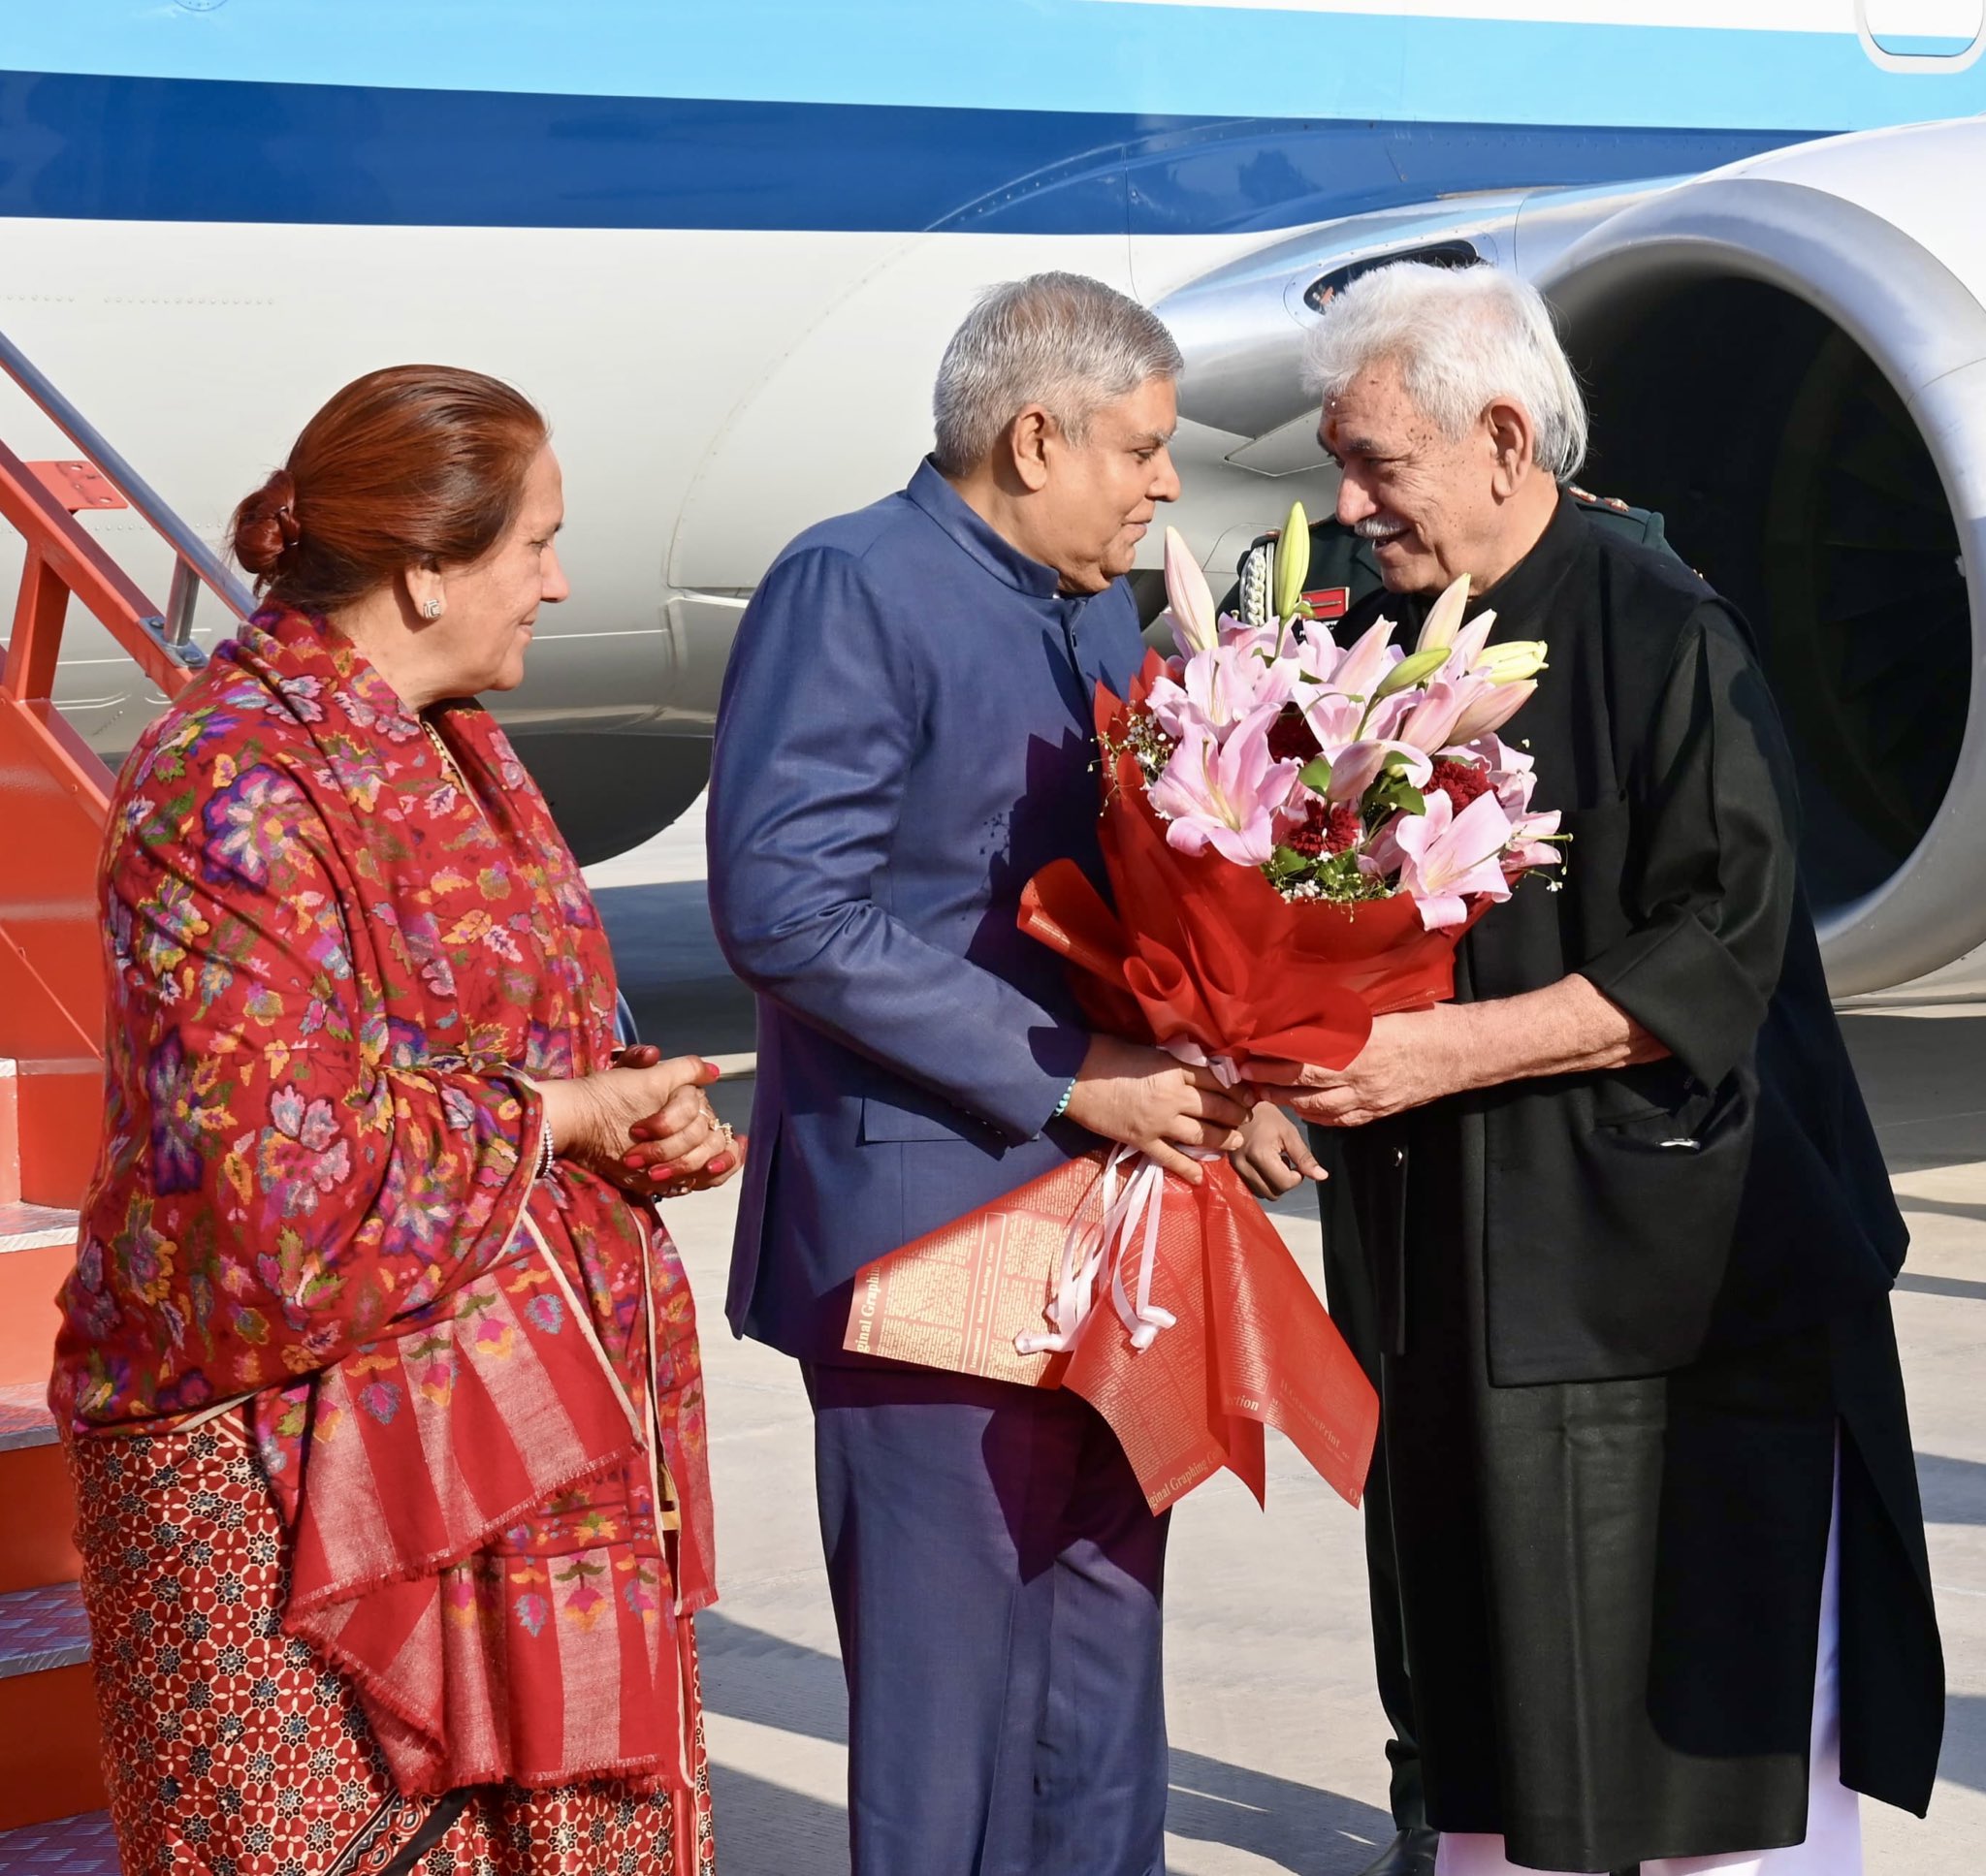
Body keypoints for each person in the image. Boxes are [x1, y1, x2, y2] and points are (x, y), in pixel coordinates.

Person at [1240, 263, 1943, 1875]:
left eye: (1375, 464)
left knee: (1710, 1754)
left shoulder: (1660, 625)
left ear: (1501, 435)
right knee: (1494, 1744)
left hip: (1668, 1295)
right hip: (1453, 1296)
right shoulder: (1373, 642)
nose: (1348, 504)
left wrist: (1439, 1054)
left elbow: (1725, 943)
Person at [51, 366, 740, 1875]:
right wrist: (553, 1118)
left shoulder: (453, 748)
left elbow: (493, 1046)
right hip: (282, 1478)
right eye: (535, 545)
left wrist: (629, 1120)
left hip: (503, 1414)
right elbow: (267, 1179)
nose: (558, 583)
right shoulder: (229, 783)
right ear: (427, 566)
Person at [707, 272, 1251, 1875]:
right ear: (1035, 436)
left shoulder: (1085, 602)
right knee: (946, 1709)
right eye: (1143, 450)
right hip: (919, 1228)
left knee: (1101, 1659)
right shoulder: (852, 585)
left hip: (1102, 1217)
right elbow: (785, 906)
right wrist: (1073, 1070)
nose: (1165, 485)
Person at [1225, 488, 1682, 1876]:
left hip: (1552, 1143)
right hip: (1389, 1140)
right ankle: (1433, 1781)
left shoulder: (1640, 602)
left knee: (1550, 1496)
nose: (1354, 498)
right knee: (1405, 1460)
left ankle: (1549, 1793)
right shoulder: (1340, 613)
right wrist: (1251, 1057)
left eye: (1379, 461)